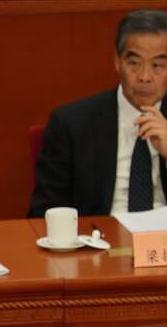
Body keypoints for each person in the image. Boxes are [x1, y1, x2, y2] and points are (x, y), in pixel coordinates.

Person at [29, 9, 167, 218]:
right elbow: (43, 213)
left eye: (158, 65)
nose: (145, 77)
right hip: (99, 234)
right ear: (117, 61)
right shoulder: (72, 124)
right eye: (134, 63)